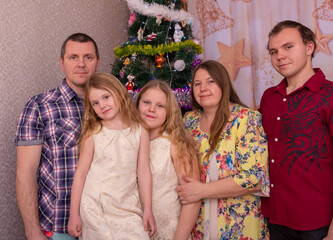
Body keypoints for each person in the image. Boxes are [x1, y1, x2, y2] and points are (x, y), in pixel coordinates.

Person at [259, 20, 333, 240]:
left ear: (309, 47)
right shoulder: (268, 98)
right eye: (273, 51)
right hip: (274, 221)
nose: (279, 56)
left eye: (288, 47)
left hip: (320, 226)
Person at [15, 33, 100, 240]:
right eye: (73, 57)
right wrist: (33, 231)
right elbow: (25, 174)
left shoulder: (110, 107)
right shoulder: (39, 106)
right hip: (58, 228)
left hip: (102, 224)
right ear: (62, 63)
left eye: (88, 57)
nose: (81, 64)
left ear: (97, 63)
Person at [176, 60, 270, 239]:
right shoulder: (189, 121)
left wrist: (201, 190)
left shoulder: (246, 119)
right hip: (200, 222)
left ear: (223, 84)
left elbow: (254, 178)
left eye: (210, 81)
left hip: (239, 223)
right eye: (197, 83)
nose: (203, 88)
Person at [67, 73, 156, 239]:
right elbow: (80, 174)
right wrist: (74, 214)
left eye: (106, 97)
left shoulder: (140, 130)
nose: (102, 105)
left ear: (118, 92)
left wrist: (148, 209)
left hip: (128, 206)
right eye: (95, 103)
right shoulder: (94, 132)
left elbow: (143, 171)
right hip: (95, 208)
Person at [135, 80, 201, 239]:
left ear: (169, 111)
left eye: (160, 106)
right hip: (135, 231)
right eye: (147, 102)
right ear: (137, 105)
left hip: (169, 232)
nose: (151, 109)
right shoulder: (129, 142)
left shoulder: (176, 144)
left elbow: (192, 199)